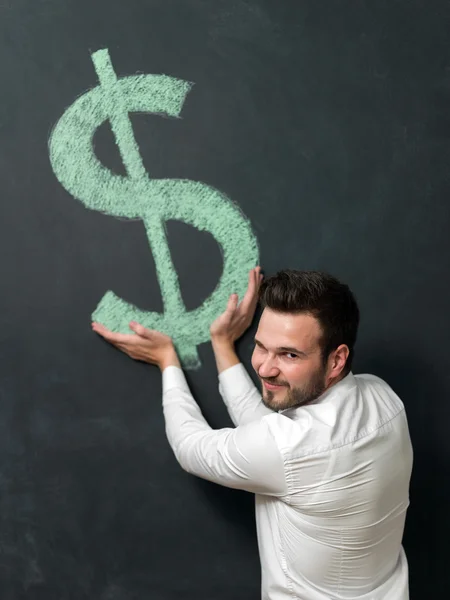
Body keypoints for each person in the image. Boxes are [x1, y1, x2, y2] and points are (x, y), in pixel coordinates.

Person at [92, 267, 413, 600]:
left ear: (336, 360)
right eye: (261, 347)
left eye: (289, 354)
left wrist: (166, 360)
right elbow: (272, 435)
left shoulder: (290, 448)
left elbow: (191, 447)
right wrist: (222, 345)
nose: (264, 367)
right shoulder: (383, 397)